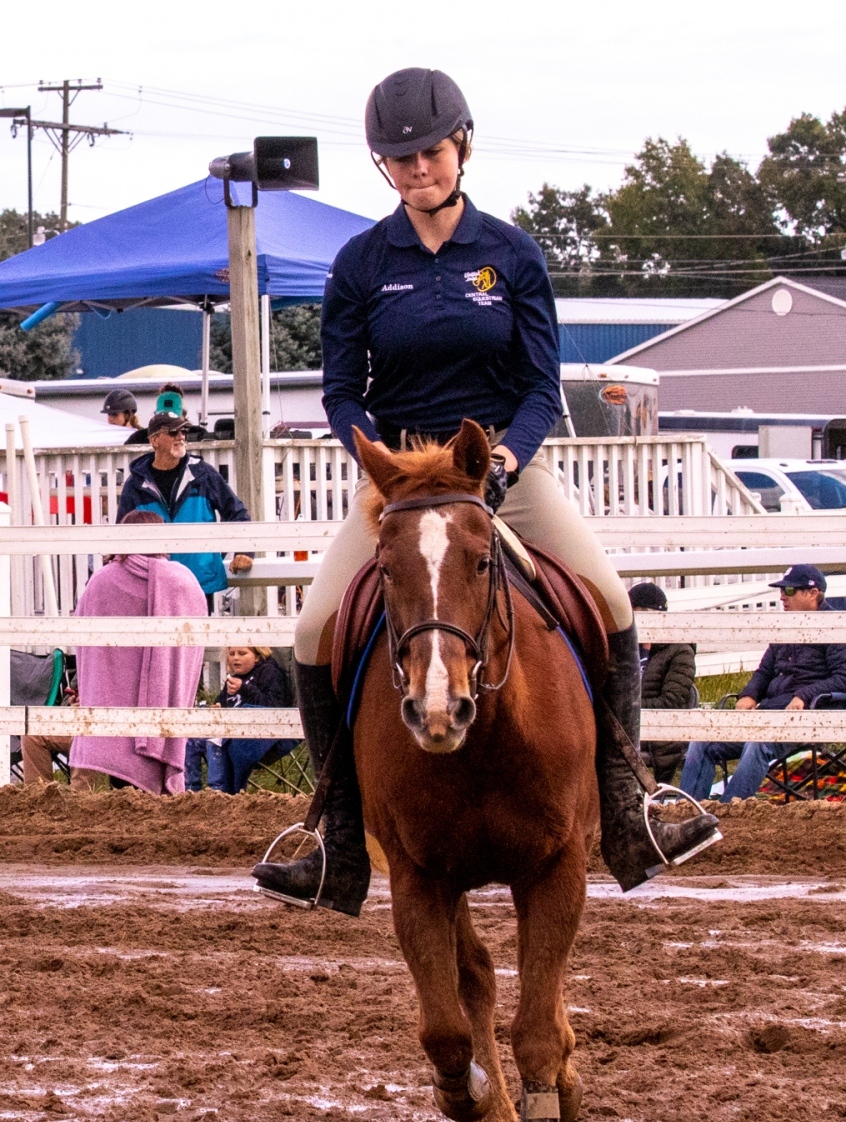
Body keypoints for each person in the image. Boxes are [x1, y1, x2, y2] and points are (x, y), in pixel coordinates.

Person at [252, 67, 719, 914]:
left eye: (430, 152)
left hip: (500, 463)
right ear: (382, 165)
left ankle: (627, 802)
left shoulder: (511, 254)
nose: (416, 168)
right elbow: (341, 390)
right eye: (399, 158)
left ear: (461, 146)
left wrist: (504, 460)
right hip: (403, 481)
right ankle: (336, 837)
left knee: (612, 601)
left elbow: (541, 385)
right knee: (316, 626)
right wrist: (378, 461)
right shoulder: (361, 263)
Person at [680, 565, 846, 802]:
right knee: (703, 739)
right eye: (781, 590)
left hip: (808, 715)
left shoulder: (836, 626)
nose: (782, 596)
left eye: (789, 590)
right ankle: (687, 809)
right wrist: (750, 694)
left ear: (813, 593)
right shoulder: (785, 628)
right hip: (769, 711)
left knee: (758, 741)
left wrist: (805, 695)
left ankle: (730, 809)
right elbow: (764, 670)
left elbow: (843, 678)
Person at [69, 511, 208, 793]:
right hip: (165, 706)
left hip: (113, 715)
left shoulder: (102, 582)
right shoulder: (183, 581)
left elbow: (85, 645)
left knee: (122, 786)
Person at [116, 410, 254, 612]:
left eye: (184, 431)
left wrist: (244, 552)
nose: (181, 437)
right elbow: (122, 533)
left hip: (197, 579)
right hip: (152, 583)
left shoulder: (203, 473)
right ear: (154, 440)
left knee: (197, 633)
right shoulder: (136, 483)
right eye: (173, 432)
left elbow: (237, 514)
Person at [186, 647, 297, 794]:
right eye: (231, 654)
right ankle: (190, 790)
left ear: (257, 656)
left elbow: (272, 707)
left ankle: (218, 792)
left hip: (260, 731)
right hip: (229, 729)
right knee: (191, 739)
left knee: (217, 740)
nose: (235, 658)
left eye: (242, 653)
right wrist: (218, 707)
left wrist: (244, 688)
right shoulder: (235, 678)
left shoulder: (269, 672)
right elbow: (224, 702)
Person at [628, 582, 696, 785]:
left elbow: (671, 702)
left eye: (635, 612)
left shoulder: (680, 651)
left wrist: (626, 709)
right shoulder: (626, 649)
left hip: (658, 733)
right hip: (627, 726)